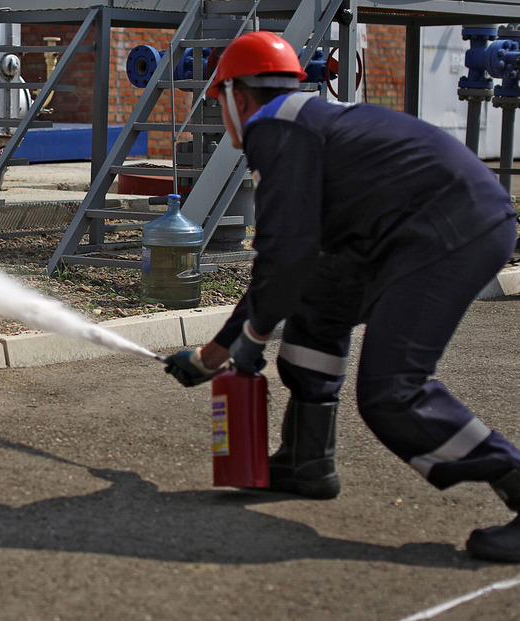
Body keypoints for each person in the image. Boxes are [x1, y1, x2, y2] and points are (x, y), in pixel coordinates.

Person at [163, 30, 520, 562]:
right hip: (422, 226)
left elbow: (285, 256)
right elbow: (287, 269)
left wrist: (239, 347)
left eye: (219, 103)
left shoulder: (274, 127)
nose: (224, 116)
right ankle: (307, 462)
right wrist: (218, 351)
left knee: (393, 391)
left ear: (237, 96)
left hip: (449, 231)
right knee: (317, 304)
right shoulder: (306, 120)